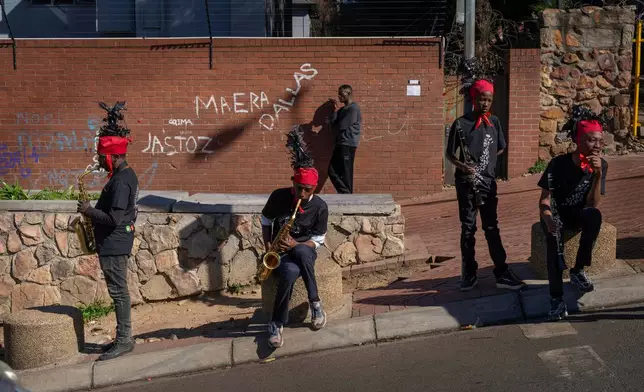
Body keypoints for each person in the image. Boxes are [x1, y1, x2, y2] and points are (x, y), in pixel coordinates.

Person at [446, 79, 525, 292]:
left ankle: (501, 272)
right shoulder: (460, 124)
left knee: (491, 227)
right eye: (482, 99)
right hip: (466, 184)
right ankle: (469, 273)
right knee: (468, 229)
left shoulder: (495, 122)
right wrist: (464, 166)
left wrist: (485, 164)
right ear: (474, 99)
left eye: (489, 100)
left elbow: (500, 148)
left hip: (488, 184)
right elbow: (449, 155)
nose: (485, 103)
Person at [77, 102, 139, 361]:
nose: (99, 161)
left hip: (115, 242)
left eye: (102, 157)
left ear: (113, 156)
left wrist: (88, 211)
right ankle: (123, 338)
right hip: (113, 242)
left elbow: (113, 219)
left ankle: (124, 340)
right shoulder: (122, 176)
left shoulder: (122, 181)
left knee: (118, 292)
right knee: (119, 291)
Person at [537, 105, 608, 321]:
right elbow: (544, 201)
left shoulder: (601, 165)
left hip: (578, 215)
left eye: (599, 140)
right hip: (556, 216)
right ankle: (556, 298)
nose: (596, 145)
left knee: (594, 216)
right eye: (590, 140)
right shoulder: (558, 164)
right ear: (578, 141)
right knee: (553, 240)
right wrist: (548, 220)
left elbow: (593, 204)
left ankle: (577, 270)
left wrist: (596, 175)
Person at [261, 127, 328, 349]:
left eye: (307, 190)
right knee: (289, 272)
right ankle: (276, 323)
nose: (301, 194)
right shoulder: (279, 197)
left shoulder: (319, 207)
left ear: (315, 188)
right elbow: (265, 219)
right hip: (282, 253)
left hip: (304, 249)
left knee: (301, 251)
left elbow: (318, 238)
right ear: (293, 182)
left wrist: (297, 243)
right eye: (299, 188)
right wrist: (270, 245)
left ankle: (315, 302)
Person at [328, 84, 362, 194]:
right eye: (338, 94)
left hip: (348, 144)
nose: (339, 97)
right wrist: (334, 110)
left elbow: (341, 125)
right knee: (332, 170)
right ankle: (345, 193)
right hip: (340, 143)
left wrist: (336, 118)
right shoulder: (343, 109)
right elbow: (334, 122)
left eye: (341, 94)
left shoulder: (353, 109)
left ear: (348, 94)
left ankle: (347, 195)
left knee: (346, 172)